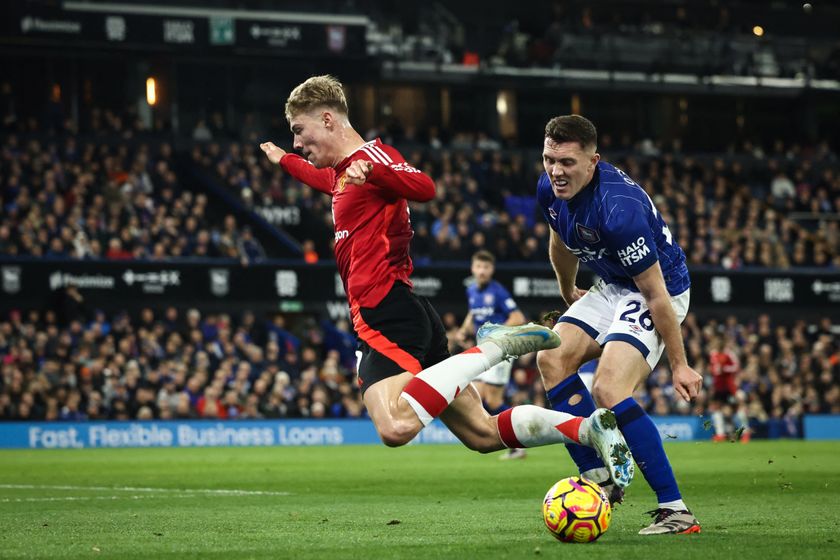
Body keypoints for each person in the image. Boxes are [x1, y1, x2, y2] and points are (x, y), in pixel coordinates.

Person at [259, 76, 633, 488]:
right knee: (482, 434)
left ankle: (495, 348)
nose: (296, 142)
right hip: (404, 312)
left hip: (386, 311)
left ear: (328, 119)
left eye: (299, 130)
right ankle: (587, 429)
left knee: (394, 427)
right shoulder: (345, 174)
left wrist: (378, 174)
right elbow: (324, 181)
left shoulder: (373, 158)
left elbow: (425, 186)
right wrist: (282, 160)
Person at [531, 114, 702, 535]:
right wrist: (568, 290)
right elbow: (561, 241)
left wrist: (679, 363)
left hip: (656, 289)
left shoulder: (618, 211)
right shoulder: (550, 189)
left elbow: (657, 294)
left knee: (608, 389)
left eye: (568, 162)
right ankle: (600, 478)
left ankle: (676, 511)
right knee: (550, 358)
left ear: (593, 162)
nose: (556, 171)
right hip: (610, 285)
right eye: (550, 159)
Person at [457, 250, 527, 459]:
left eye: (486, 267)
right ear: (473, 268)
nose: (482, 271)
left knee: (493, 401)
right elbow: (473, 313)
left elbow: (518, 317)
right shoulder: (471, 291)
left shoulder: (498, 291)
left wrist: (495, 332)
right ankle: (496, 436)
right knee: (476, 394)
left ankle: (519, 439)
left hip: (500, 350)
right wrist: (463, 329)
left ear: (492, 270)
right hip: (483, 349)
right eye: (478, 267)